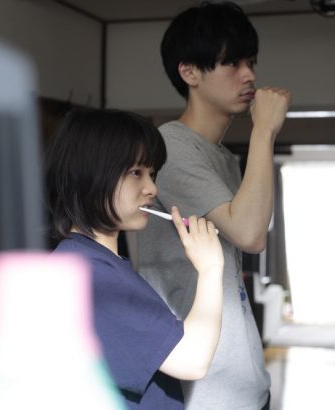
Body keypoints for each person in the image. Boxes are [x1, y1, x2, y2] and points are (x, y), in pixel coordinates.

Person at [136, 2, 291, 409]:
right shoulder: (170, 146)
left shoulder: (222, 157)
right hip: (202, 389)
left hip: (243, 380)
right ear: (190, 72)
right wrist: (264, 131)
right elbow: (251, 234)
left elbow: (252, 227)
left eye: (251, 62)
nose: (250, 75)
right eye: (232, 63)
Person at [44, 108, 224, 410]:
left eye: (152, 174)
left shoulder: (91, 263)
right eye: (135, 172)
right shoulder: (91, 276)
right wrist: (210, 267)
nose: (152, 188)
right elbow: (192, 359)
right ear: (89, 174)